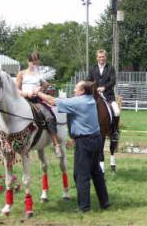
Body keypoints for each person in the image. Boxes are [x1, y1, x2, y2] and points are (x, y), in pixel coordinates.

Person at [35, 80, 110, 212]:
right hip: (96, 140)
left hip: (85, 142)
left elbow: (52, 101)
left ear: (81, 91)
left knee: (81, 175)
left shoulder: (78, 102)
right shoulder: (90, 99)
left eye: (76, 88)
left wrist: (38, 93)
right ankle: (104, 202)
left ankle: (84, 207)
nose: (74, 90)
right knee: (96, 172)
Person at [15, 52, 62, 157]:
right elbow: (16, 89)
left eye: (36, 62)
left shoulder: (41, 75)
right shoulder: (21, 73)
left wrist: (43, 87)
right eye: (32, 62)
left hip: (36, 100)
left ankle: (56, 144)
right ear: (28, 62)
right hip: (23, 100)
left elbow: (43, 90)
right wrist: (26, 93)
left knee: (49, 116)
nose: (34, 64)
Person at [87, 49, 120, 169]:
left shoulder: (110, 68)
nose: (101, 59)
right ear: (97, 58)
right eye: (99, 57)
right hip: (95, 96)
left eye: (103, 57)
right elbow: (88, 80)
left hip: (108, 96)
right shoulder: (93, 68)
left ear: (106, 57)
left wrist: (104, 87)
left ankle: (115, 131)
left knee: (116, 110)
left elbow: (113, 81)